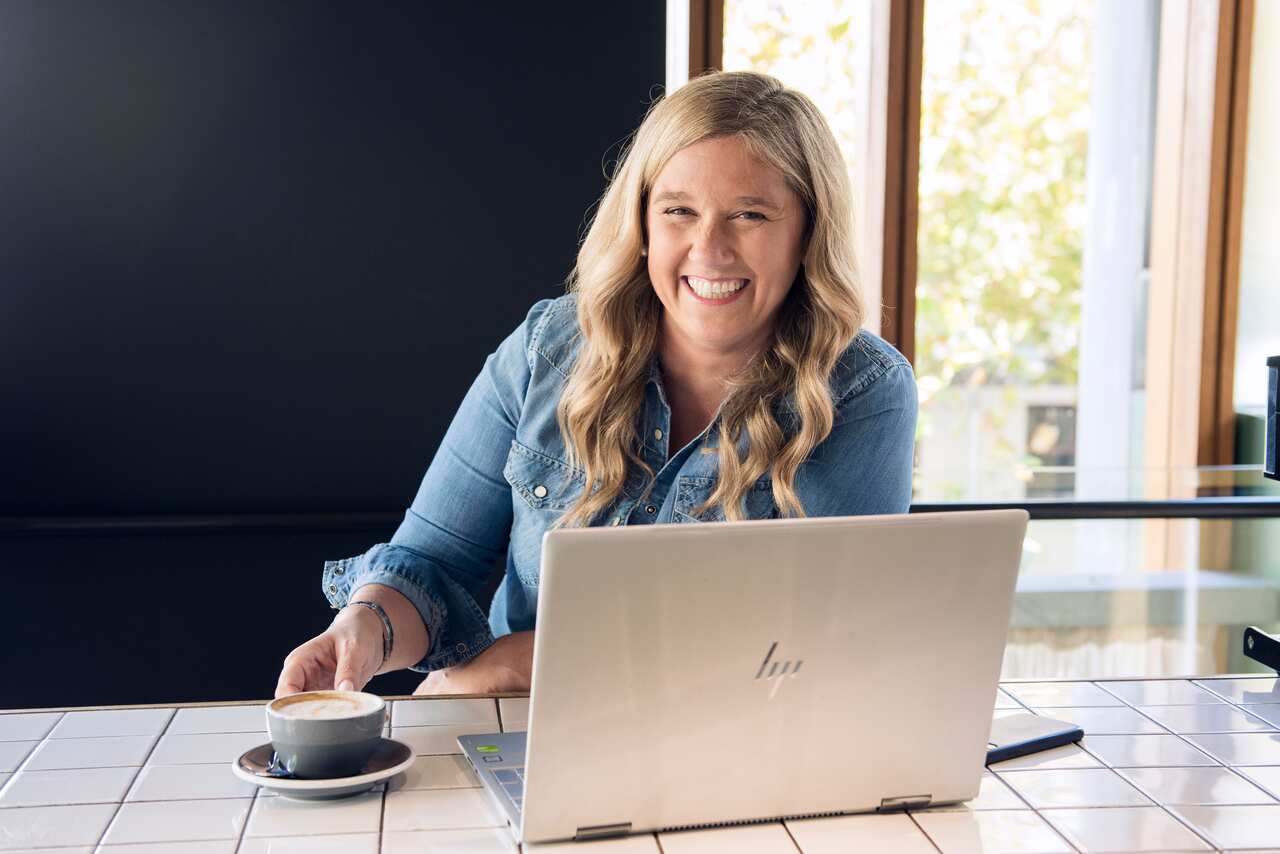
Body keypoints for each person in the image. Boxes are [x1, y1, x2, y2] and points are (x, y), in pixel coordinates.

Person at [275, 70, 918, 699]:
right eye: (679, 211)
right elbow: (433, 564)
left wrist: (521, 663)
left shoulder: (862, 391)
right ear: (641, 225)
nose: (709, 248)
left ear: (807, 233)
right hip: (522, 735)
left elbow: (818, 646)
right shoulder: (546, 350)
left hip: (735, 750)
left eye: (749, 215)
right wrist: (369, 627)